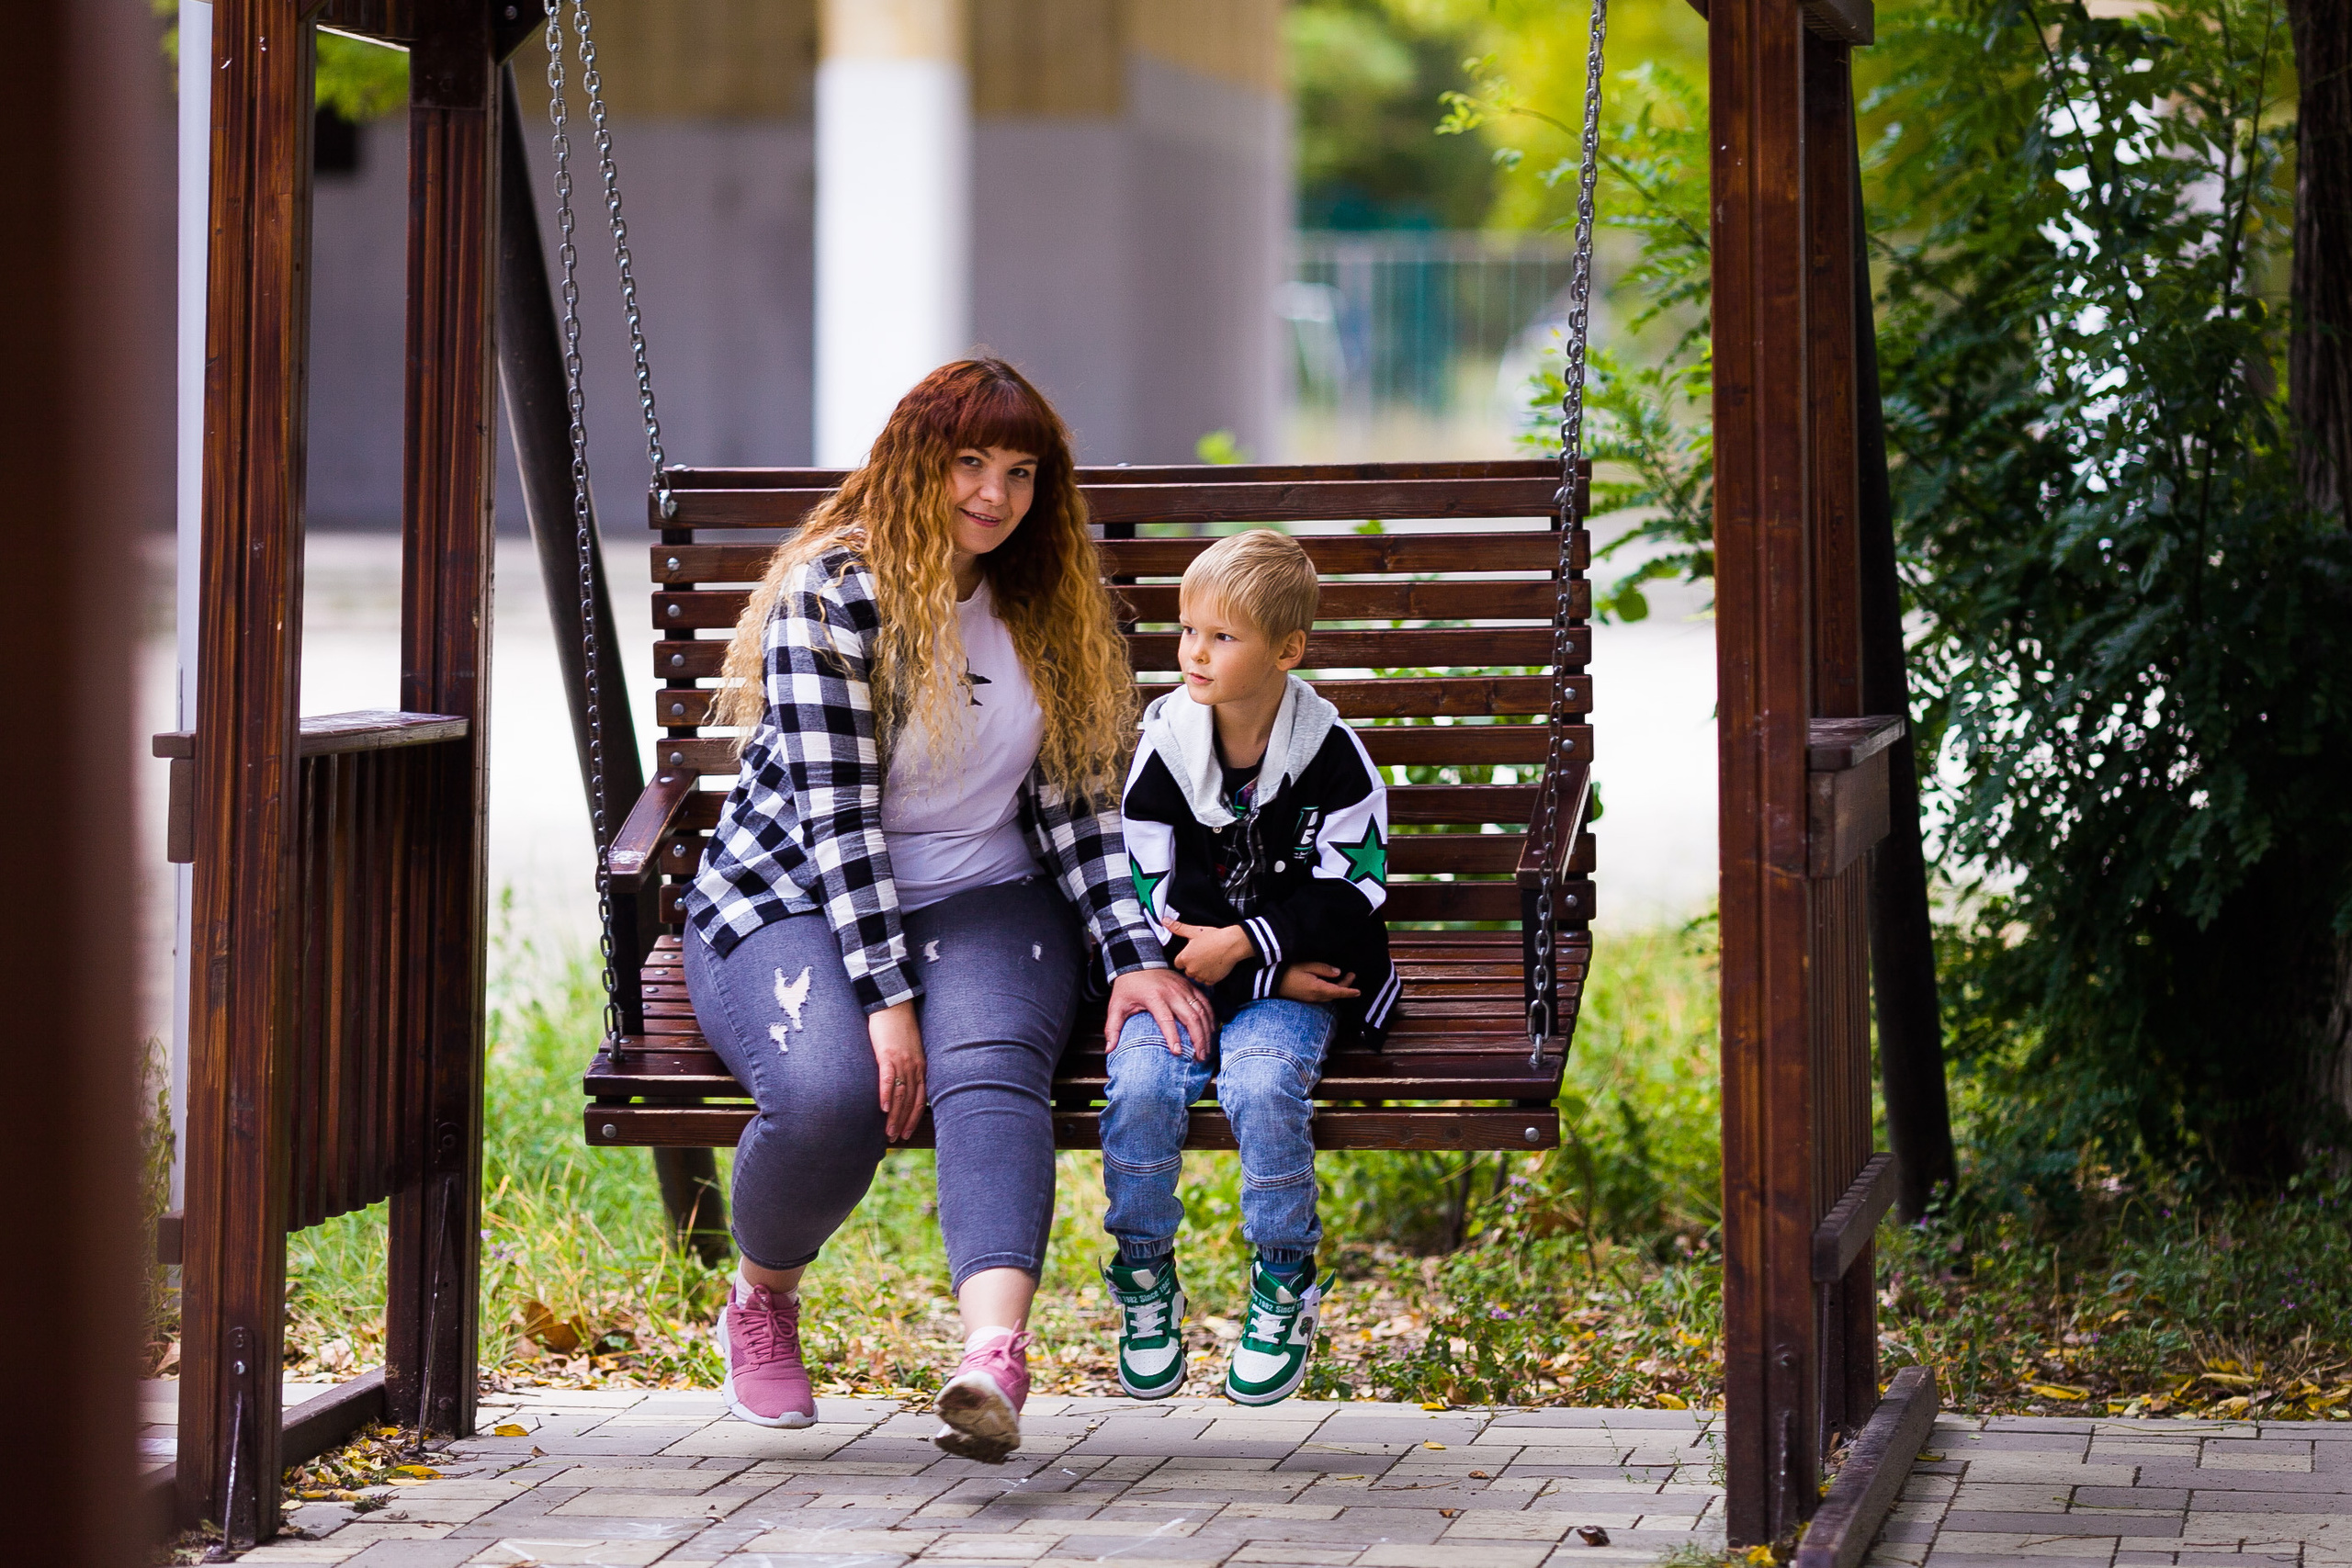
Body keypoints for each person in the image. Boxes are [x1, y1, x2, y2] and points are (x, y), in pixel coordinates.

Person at [683, 358, 1210, 1461]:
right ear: (917, 461)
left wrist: (1128, 955)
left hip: (983, 893)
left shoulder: (1049, 599)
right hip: (794, 896)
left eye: (1020, 471)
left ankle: (991, 1360)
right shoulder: (834, 593)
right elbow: (835, 821)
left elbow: (1076, 806)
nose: (994, 494)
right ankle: (763, 1297)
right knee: (833, 1093)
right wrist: (885, 1000)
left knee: (990, 1069)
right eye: (969, 462)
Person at [1101, 528, 1396, 1405]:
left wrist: (1250, 950)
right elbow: (1155, 897)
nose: (1194, 651)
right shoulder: (1166, 753)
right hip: (1197, 976)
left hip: (1296, 976)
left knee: (1264, 1083)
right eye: (1189, 629)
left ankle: (1284, 1278)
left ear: (1286, 651)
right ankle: (1146, 1277)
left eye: (1222, 636)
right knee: (1144, 1087)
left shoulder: (1332, 757)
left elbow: (1355, 898)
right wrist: (1264, 969)